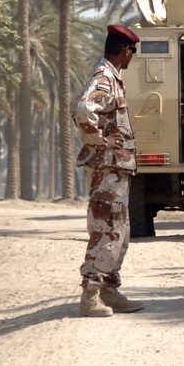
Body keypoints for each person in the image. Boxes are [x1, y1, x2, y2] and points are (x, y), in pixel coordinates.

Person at [72, 25, 147, 317]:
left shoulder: (112, 78)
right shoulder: (104, 78)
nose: (132, 58)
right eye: (132, 52)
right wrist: (101, 142)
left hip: (117, 169)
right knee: (106, 230)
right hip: (108, 168)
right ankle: (90, 296)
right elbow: (83, 110)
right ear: (125, 50)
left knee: (120, 231)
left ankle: (109, 290)